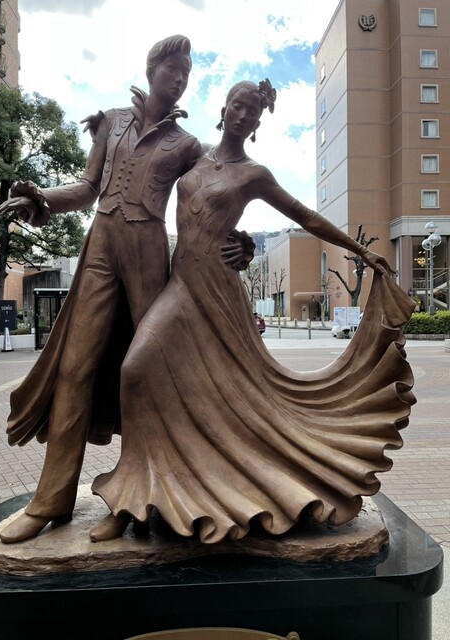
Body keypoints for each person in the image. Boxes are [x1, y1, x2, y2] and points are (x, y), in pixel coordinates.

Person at [89, 79, 416, 543]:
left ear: (258, 125)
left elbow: (305, 216)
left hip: (219, 293)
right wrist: (111, 131)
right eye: (238, 107)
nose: (243, 117)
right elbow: (146, 160)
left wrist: (359, 251)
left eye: (253, 114)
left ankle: (221, 491)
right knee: (136, 372)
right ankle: (133, 502)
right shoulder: (193, 155)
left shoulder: (254, 174)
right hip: (179, 286)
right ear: (224, 109)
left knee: (237, 398)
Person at [0, 36, 252, 545]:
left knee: (148, 373)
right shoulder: (111, 122)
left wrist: (240, 241)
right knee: (74, 367)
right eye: (173, 69)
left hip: (149, 250)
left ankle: (137, 499)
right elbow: (88, 187)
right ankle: (51, 501)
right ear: (152, 69)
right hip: (101, 246)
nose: (180, 79)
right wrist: (41, 197)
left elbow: (214, 191)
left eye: (187, 74)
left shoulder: (187, 146)